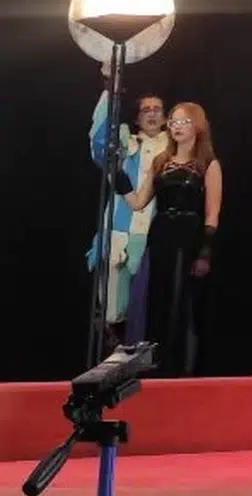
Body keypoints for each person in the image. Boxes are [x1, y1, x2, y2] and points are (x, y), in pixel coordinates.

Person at [117, 102, 222, 378]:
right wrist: (119, 178)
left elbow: (212, 214)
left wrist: (205, 252)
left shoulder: (208, 165)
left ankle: (183, 369)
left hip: (190, 237)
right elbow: (138, 202)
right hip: (161, 234)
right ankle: (158, 367)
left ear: (197, 126)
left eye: (184, 121)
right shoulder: (160, 161)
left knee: (184, 301)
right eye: (173, 121)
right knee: (158, 300)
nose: (176, 126)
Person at [86, 62, 169, 349]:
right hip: (121, 235)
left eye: (157, 109)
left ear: (165, 116)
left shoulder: (174, 150)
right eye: (146, 110)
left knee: (151, 310)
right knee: (113, 311)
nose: (152, 114)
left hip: (157, 239)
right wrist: (110, 90)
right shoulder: (125, 145)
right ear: (137, 118)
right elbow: (99, 143)